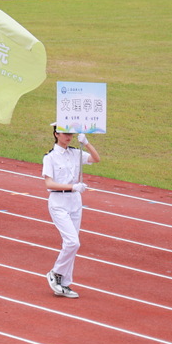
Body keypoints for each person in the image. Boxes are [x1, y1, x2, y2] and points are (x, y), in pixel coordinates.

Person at [44, 125, 101, 298]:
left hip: (75, 203)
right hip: (58, 202)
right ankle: (55, 273)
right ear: (56, 134)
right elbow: (49, 184)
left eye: (71, 133)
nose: (69, 136)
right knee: (72, 243)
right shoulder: (50, 157)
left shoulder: (76, 153)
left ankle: (65, 283)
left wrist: (87, 142)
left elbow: (96, 159)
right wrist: (72, 186)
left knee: (71, 245)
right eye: (65, 133)